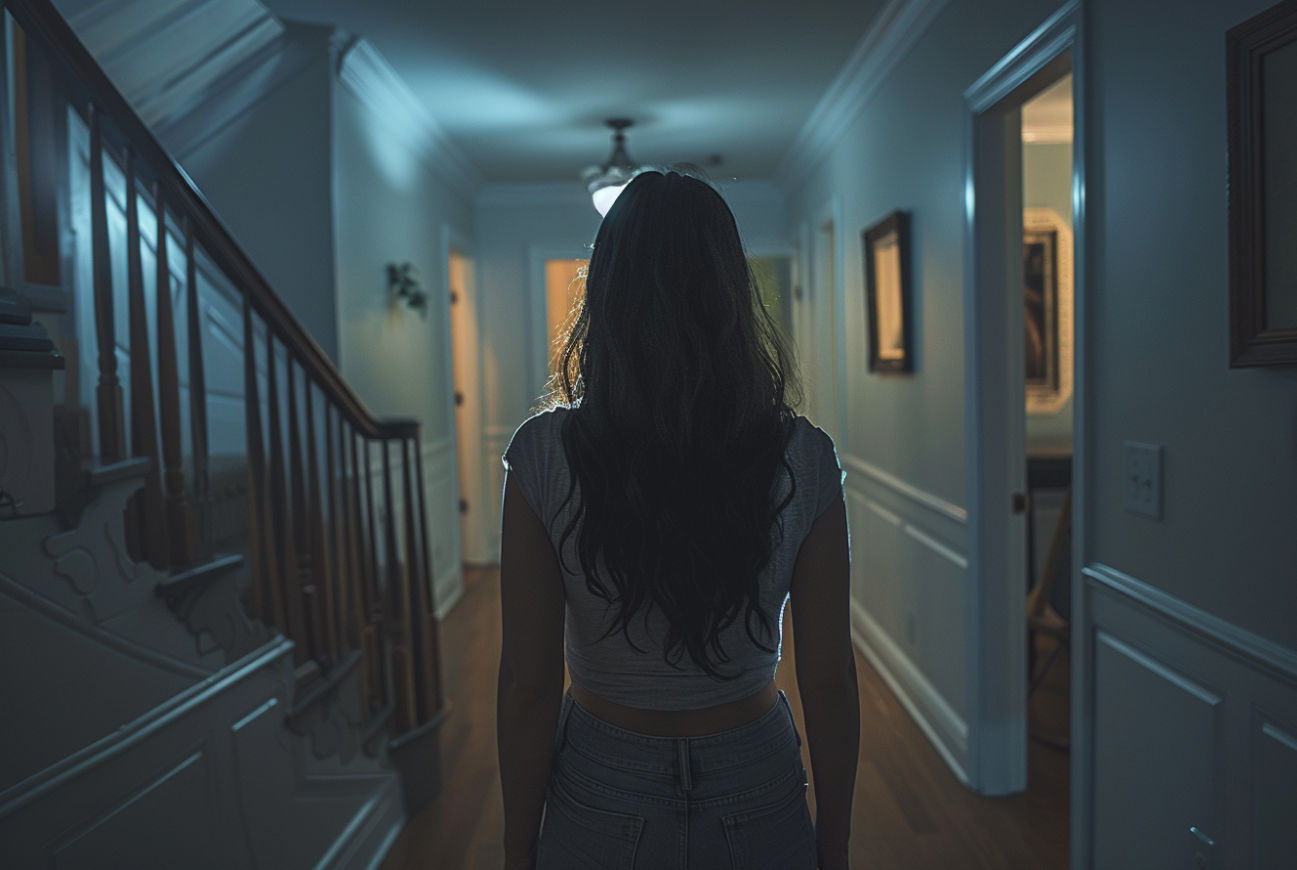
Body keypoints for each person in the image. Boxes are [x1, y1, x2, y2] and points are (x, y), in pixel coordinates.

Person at [497, 169, 859, 870]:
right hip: (754, 773)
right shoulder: (804, 454)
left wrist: (518, 850)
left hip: (602, 779)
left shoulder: (543, 454)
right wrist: (835, 846)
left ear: (606, 291)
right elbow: (828, 676)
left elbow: (527, 682)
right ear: (727, 289)